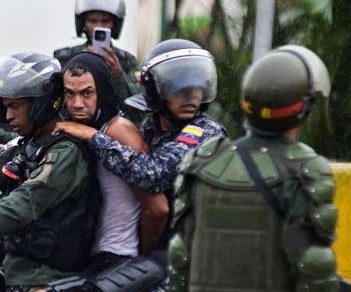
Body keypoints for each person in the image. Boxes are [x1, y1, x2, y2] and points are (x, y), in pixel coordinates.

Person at [168, 45, 340, 292]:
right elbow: (314, 263)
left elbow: (180, 253)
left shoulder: (204, 160)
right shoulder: (303, 168)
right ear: (302, 108)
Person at [0, 51, 169, 292]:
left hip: (115, 263)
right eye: (70, 94)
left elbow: (156, 207)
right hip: (94, 262)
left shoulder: (117, 129)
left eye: (87, 93)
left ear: (102, 91)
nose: (77, 103)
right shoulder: (73, 130)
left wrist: (138, 259)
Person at [0, 52, 98, 292]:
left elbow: (24, 203)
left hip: (43, 279)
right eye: (5, 107)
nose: (7, 116)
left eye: (15, 106)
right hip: (18, 267)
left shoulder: (65, 150)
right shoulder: (32, 141)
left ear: (41, 102)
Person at [54, 38, 228, 254]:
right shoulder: (151, 127)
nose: (191, 97)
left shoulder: (204, 131)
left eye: (197, 89)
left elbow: (152, 175)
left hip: (195, 251)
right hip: (168, 245)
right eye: (179, 89)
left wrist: (94, 137)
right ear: (155, 90)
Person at [53, 0, 141, 105]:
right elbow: (54, 101)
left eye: (105, 21)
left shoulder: (127, 61)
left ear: (115, 25)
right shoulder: (65, 58)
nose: (99, 26)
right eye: (93, 21)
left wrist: (118, 74)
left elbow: (138, 110)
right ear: (82, 23)